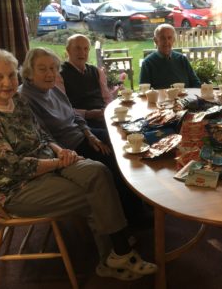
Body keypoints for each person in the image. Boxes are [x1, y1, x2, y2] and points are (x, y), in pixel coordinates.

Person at [0, 48, 157, 281]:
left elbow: (43, 135)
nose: (7, 82)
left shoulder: (17, 101)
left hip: (50, 162)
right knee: (95, 192)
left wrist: (61, 150)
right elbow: (14, 167)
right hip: (17, 188)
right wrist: (56, 162)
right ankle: (119, 253)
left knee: (99, 171)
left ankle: (116, 251)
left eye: (11, 75)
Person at [19, 47, 146, 225]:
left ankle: (139, 198)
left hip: (82, 135)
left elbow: (73, 115)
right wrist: (78, 143)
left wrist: (89, 135)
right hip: (67, 148)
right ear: (29, 71)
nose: (49, 73)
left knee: (123, 138)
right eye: (42, 69)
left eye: (53, 68)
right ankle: (133, 216)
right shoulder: (25, 98)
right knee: (117, 162)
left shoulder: (53, 89)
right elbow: (43, 136)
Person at [56, 33, 118, 128]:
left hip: (103, 117)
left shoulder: (96, 71)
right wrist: (88, 113)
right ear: (68, 51)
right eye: (77, 48)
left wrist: (108, 111)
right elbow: (62, 109)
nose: (82, 53)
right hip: (80, 124)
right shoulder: (59, 75)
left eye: (86, 49)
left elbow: (107, 98)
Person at [139, 23, 201, 89]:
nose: (166, 41)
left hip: (185, 98)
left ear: (173, 40)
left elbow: (196, 83)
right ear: (155, 40)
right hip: (161, 99)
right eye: (162, 38)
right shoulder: (148, 63)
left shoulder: (182, 59)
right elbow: (144, 90)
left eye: (169, 38)